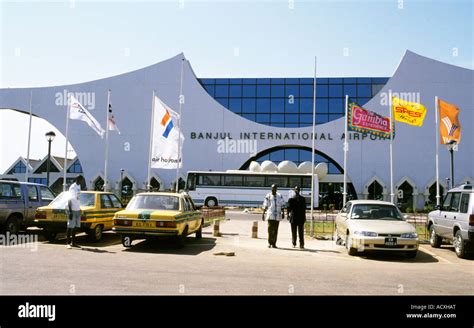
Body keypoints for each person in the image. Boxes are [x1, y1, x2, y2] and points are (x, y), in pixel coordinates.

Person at [262, 184, 285, 248]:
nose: (273, 190)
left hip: (277, 215)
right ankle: (269, 242)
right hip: (270, 215)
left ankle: (274, 243)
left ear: (276, 189)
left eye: (275, 189)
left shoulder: (279, 196)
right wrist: (263, 214)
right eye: (272, 188)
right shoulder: (268, 196)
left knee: (275, 230)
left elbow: (282, 204)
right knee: (270, 229)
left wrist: (283, 213)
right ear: (271, 189)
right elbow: (265, 205)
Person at [66, 177, 81, 249]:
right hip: (72, 209)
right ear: (77, 179)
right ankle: (68, 243)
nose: (82, 181)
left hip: (77, 209)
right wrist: (70, 211)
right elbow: (69, 199)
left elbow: (78, 198)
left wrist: (79, 208)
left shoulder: (79, 186)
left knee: (75, 227)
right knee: (70, 226)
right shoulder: (72, 187)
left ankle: (73, 243)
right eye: (81, 179)